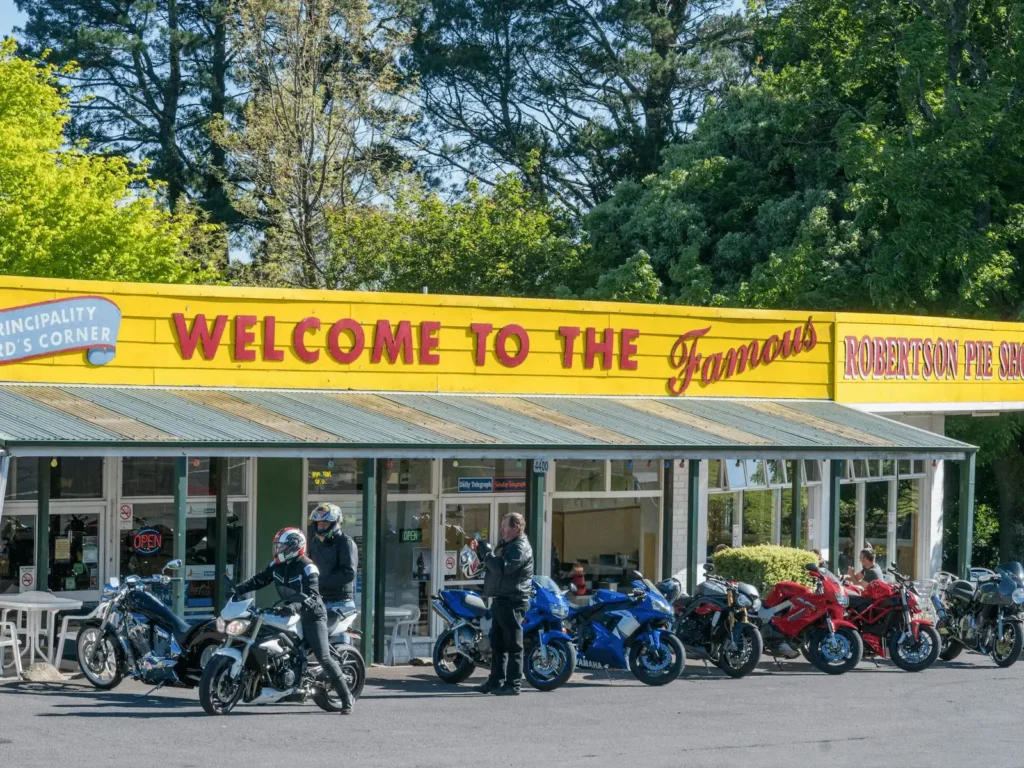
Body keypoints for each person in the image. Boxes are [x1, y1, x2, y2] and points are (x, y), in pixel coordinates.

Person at [232, 527, 355, 714]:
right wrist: (237, 589)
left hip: (312, 615)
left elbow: (312, 596)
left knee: (323, 656)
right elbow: (259, 580)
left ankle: (347, 699)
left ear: (295, 547)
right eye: (277, 546)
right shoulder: (276, 566)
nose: (278, 550)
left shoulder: (308, 567)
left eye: (282, 547)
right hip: (289, 611)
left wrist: (295, 607)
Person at [468, 512, 534, 696]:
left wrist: (487, 554)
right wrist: (481, 553)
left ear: (517, 528)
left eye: (505, 526)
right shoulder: (508, 545)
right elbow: (492, 565)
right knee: (498, 644)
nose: (502, 530)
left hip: (513, 601)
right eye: (502, 526)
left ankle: (513, 685)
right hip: (501, 600)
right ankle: (495, 681)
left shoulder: (520, 547)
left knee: (513, 645)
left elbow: (503, 568)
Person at [308, 503, 358, 612]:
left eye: (325, 522)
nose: (321, 526)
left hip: (340, 601)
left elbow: (348, 573)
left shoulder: (345, 543)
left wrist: (319, 582)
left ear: (335, 523)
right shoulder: (315, 542)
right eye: (319, 523)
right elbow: (309, 563)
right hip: (320, 600)